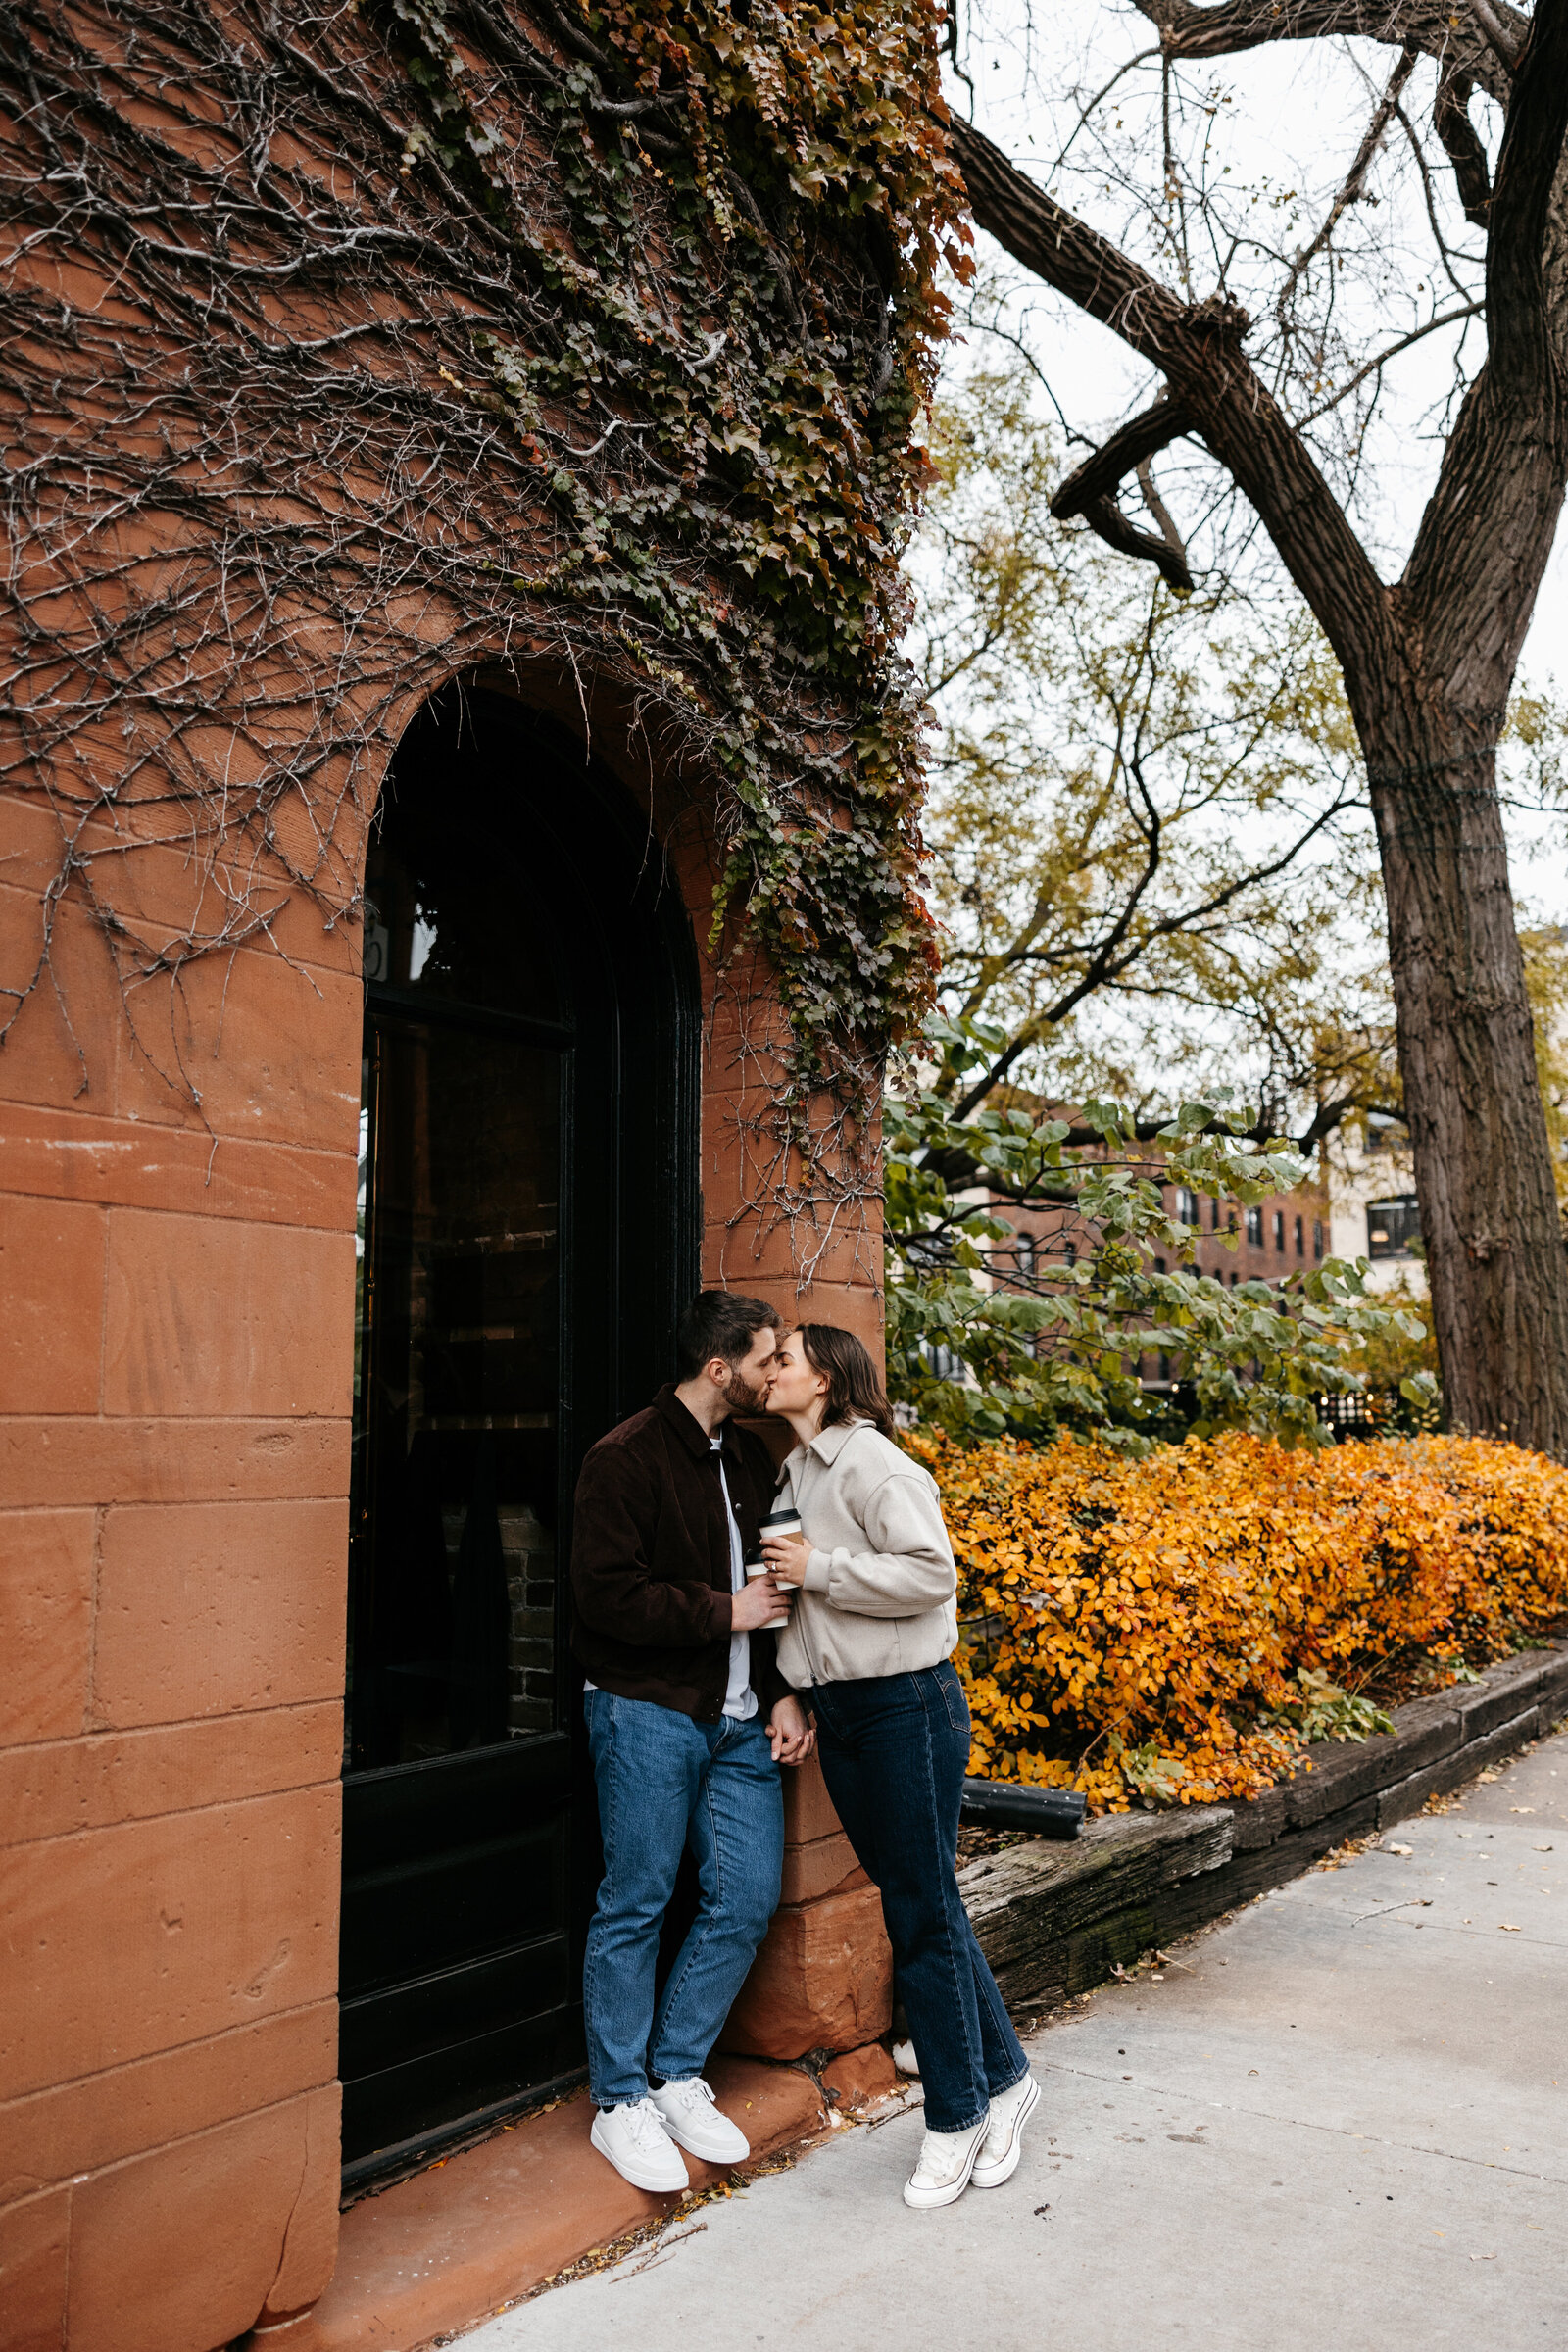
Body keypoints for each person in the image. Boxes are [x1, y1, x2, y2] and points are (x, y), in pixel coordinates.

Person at [761, 1323, 1038, 2209]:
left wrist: (823, 1568)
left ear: (828, 1378)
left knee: (918, 1910)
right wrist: (793, 1689)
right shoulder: (795, 1472)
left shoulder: (874, 1464)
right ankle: (1009, 2079)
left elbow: (931, 1574)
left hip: (906, 1707)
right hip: (841, 1712)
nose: (772, 1369)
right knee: (923, 1900)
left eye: (786, 1359)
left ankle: (955, 2118)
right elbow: (795, 1604)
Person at [570, 1291, 814, 2193]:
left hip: (740, 1720)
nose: (772, 1372)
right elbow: (606, 1600)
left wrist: (784, 1691)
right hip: (646, 1712)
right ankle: (619, 2099)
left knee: (744, 1901)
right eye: (763, 1360)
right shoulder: (623, 1459)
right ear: (721, 1369)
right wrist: (728, 1611)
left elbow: (770, 1581)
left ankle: (675, 2073)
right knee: (636, 1900)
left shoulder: (747, 1455)